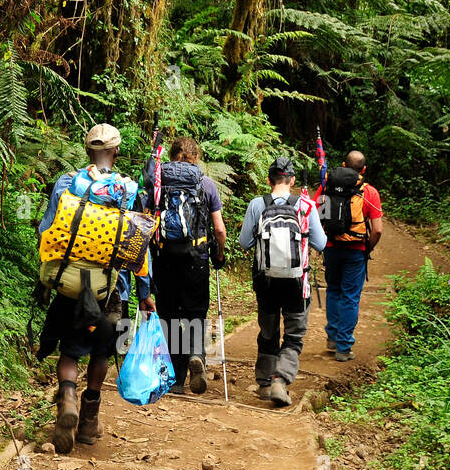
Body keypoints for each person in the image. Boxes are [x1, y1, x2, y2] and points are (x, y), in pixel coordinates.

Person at [35, 123, 153, 453]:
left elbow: (46, 232)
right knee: (101, 351)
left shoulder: (66, 184)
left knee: (70, 350)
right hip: (110, 292)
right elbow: (139, 250)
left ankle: (68, 397)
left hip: (70, 287)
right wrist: (145, 294)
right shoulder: (129, 192)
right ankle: (88, 422)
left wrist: (46, 279)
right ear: (116, 152)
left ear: (87, 150)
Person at [237, 156, 327, 407]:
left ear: (268, 180)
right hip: (298, 284)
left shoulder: (257, 205)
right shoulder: (306, 206)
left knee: (268, 331)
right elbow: (320, 244)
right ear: (292, 180)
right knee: (294, 336)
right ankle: (281, 378)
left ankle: (265, 381)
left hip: (265, 282)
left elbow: (244, 243)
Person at [145, 137, 226, 395]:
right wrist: (219, 255)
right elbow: (220, 229)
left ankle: (176, 380)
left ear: (172, 156)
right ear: (196, 157)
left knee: (169, 316)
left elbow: (145, 221)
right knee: (195, 313)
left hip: (164, 257)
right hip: (196, 258)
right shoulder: (206, 184)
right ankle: (196, 355)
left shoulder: (157, 183)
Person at [319, 150, 383, 362]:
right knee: (350, 296)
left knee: (334, 290)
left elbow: (316, 215)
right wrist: (369, 248)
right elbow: (378, 230)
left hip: (330, 246)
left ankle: (333, 338)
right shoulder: (370, 192)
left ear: (344, 164)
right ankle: (343, 347)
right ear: (363, 169)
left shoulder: (326, 185)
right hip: (356, 250)